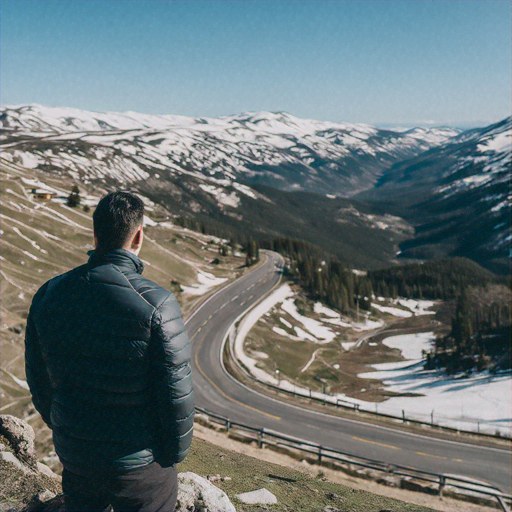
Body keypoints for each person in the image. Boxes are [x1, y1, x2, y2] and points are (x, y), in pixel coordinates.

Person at [25, 190, 194, 511]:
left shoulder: (49, 293)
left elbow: (39, 381)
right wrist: (172, 455)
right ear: (139, 235)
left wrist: (66, 429)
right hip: (141, 466)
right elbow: (176, 395)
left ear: (95, 234)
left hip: (77, 455)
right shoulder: (157, 304)